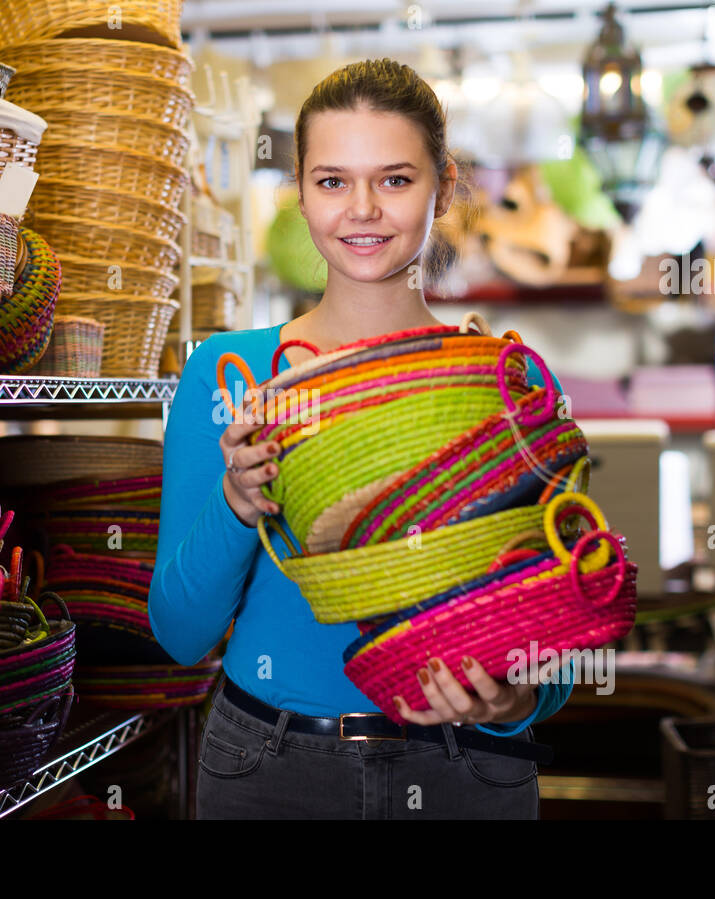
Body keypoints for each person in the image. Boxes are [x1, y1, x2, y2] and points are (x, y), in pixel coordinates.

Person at [148, 58, 572, 820]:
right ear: (302, 192)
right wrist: (238, 504)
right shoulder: (227, 374)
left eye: (396, 180)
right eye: (333, 181)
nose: (363, 210)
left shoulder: (507, 382)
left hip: (468, 768)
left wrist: (518, 697)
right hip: (270, 770)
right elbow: (180, 633)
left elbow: (557, 621)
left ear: (443, 188)